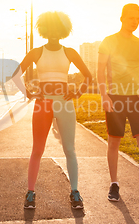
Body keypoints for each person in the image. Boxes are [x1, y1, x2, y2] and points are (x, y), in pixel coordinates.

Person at [12, 11, 92, 210]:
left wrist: (77, 93)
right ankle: (30, 193)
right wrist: (29, 94)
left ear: (63, 30)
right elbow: (15, 75)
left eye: (58, 28)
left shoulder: (70, 52)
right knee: (37, 150)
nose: (54, 32)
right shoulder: (36, 52)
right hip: (43, 104)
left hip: (65, 104)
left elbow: (89, 76)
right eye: (50, 27)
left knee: (70, 149)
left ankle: (75, 192)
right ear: (44, 30)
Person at [97, 3, 139, 207]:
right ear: (122, 18)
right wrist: (104, 96)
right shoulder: (108, 41)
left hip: (138, 98)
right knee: (114, 141)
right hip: (115, 97)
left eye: (138, 19)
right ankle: (114, 184)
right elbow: (100, 71)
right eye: (132, 18)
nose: (135, 21)